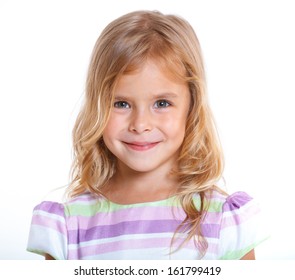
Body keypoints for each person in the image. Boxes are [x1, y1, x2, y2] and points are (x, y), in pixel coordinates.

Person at [27, 10, 267, 260]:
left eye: (162, 103)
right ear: (97, 106)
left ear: (191, 106)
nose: (140, 125)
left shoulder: (224, 220)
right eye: (120, 104)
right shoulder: (69, 226)